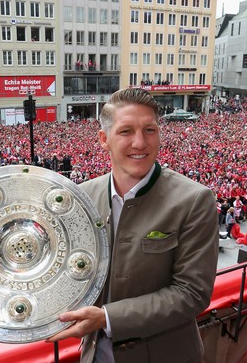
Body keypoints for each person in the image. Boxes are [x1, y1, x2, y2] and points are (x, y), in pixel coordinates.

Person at [47, 88, 219, 363]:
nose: (140, 142)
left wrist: (106, 318)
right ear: (104, 139)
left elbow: (192, 294)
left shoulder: (194, 200)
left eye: (149, 130)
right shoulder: (80, 197)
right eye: (126, 131)